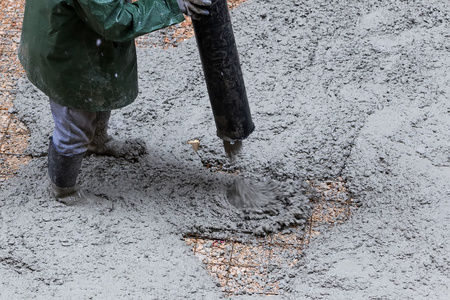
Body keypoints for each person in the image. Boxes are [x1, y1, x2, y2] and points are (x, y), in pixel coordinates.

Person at [18, 0, 211, 205]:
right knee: (74, 123)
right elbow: (115, 21)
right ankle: (65, 191)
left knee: (98, 87)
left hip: (76, 35)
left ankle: (97, 141)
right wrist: (172, 5)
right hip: (67, 55)